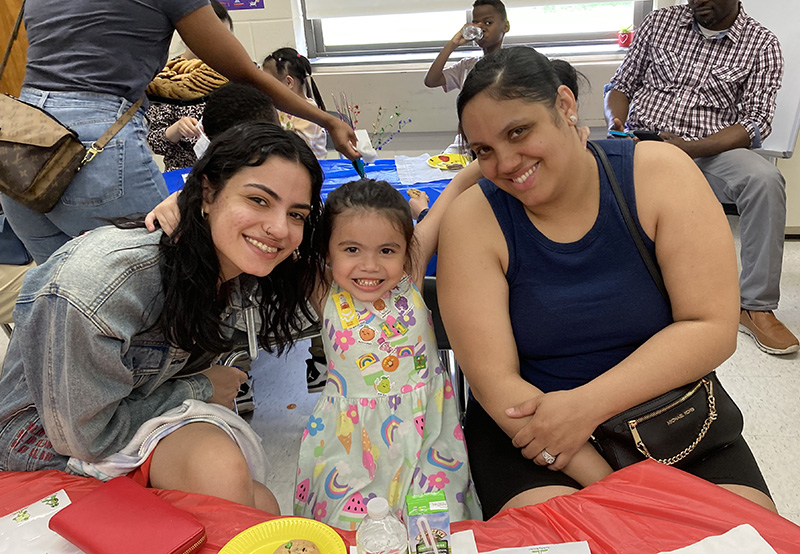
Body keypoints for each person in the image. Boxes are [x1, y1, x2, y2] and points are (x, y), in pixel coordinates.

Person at [436, 46, 776, 521]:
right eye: (483, 151)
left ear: (565, 106)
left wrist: (586, 406)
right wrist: (616, 488)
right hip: (539, 438)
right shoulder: (473, 222)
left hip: (675, 419)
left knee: (746, 538)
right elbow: (497, 384)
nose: (507, 162)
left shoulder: (659, 174)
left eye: (518, 131)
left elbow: (710, 326)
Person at [0, 122, 325, 514]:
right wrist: (202, 388)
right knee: (222, 475)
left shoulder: (234, 270)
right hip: (47, 445)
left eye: (296, 214)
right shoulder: (102, 286)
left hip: (131, 417)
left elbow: (360, 267)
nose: (279, 228)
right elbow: (86, 438)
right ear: (208, 191)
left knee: (259, 503)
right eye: (258, 200)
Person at [2, 0, 357, 266]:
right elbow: (244, 73)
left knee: (62, 300)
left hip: (25, 145)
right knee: (173, 280)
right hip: (95, 145)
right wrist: (327, 120)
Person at [294, 167, 484, 528]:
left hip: (427, 441)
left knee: (437, 528)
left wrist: (482, 163)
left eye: (386, 250)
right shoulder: (322, 288)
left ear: (405, 250)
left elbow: (458, 185)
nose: (370, 265)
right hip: (349, 451)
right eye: (351, 249)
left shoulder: (409, 271)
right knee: (351, 534)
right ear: (327, 252)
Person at [604, 0, 797, 355]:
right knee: (585, 168)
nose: (696, 2)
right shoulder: (661, 21)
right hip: (639, 140)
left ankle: (755, 306)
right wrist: (616, 121)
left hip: (709, 150)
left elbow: (755, 123)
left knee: (765, 180)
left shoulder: (761, 44)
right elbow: (621, 85)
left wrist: (690, 149)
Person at [146, 1, 234, 172]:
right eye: (212, 36)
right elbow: (154, 142)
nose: (219, 44)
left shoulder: (232, 74)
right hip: (185, 174)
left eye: (226, 37)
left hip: (229, 170)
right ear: (188, 35)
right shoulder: (166, 77)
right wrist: (177, 129)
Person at [424, 0, 509, 155]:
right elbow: (431, 80)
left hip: (501, 143)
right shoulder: (467, 66)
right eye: (476, 23)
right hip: (466, 143)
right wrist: (453, 43)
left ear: (505, 26)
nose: (481, 28)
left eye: (488, 22)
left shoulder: (514, 64)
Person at [262, 48, 328, 160]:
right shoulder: (280, 107)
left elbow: (297, 150)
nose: (264, 88)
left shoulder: (309, 112)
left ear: (289, 82)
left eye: (268, 83)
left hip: (310, 172)